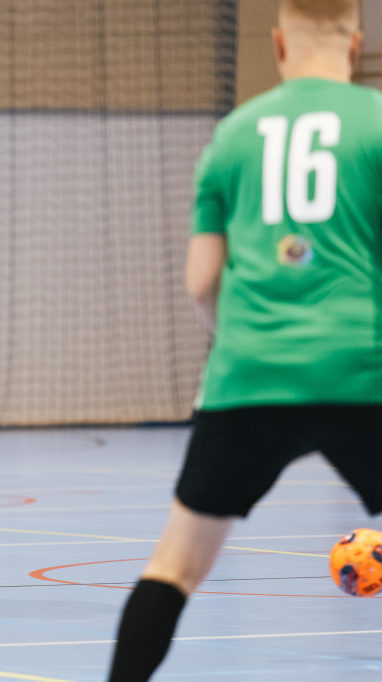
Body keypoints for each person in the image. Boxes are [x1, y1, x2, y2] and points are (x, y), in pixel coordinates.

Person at [105, 1, 381, 679]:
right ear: (357, 44)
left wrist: (251, 343)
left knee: (173, 567)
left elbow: (201, 282)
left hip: (248, 374)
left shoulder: (232, 135)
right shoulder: (376, 125)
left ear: (279, 44)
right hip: (360, 371)